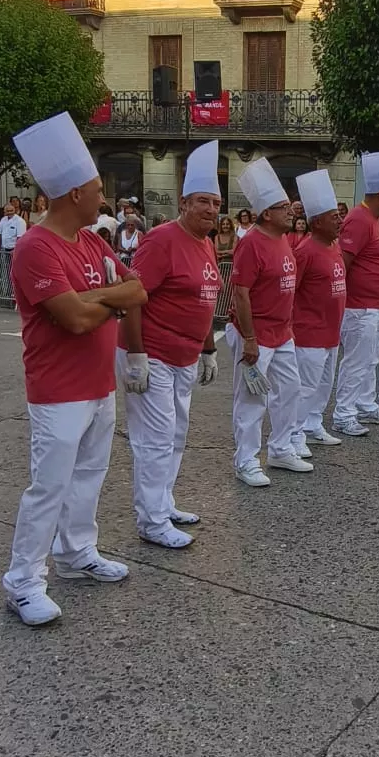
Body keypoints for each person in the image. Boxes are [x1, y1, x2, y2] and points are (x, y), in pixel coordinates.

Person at [1, 113, 146, 626]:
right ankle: (23, 582)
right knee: (49, 486)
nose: (103, 199)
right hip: (57, 390)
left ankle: (76, 553)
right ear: (75, 194)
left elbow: (138, 290)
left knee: (89, 475)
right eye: (97, 190)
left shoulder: (92, 242)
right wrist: (111, 299)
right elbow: (77, 319)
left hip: (97, 385)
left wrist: (100, 297)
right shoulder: (36, 248)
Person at [122, 141, 222, 549]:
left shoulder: (208, 243)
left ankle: (163, 501)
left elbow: (208, 298)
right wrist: (135, 355)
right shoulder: (161, 241)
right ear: (183, 202)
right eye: (203, 201)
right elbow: (131, 296)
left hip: (184, 355)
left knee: (177, 434)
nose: (212, 210)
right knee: (156, 438)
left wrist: (209, 348)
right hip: (154, 353)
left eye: (216, 203)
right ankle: (151, 520)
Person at [227, 158, 307, 484]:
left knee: (290, 390)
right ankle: (246, 461)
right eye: (283, 207)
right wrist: (249, 338)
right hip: (256, 333)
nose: (291, 212)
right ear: (266, 214)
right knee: (252, 399)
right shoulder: (251, 244)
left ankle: (280, 449)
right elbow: (240, 294)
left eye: (290, 206)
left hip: (282, 332)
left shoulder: (283, 241)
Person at [334, 151, 379, 432]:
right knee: (356, 362)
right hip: (360, 308)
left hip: (374, 306)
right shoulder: (359, 219)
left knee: (370, 359)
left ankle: (365, 403)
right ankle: (343, 414)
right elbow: (342, 264)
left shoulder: (372, 219)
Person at [291, 168, 349, 446]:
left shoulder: (334, 246)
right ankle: (294, 434)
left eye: (339, 215)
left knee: (324, 385)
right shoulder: (304, 251)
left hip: (331, 331)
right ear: (316, 222)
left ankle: (313, 424)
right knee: (305, 387)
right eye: (333, 217)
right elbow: (290, 292)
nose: (339, 221)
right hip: (309, 332)